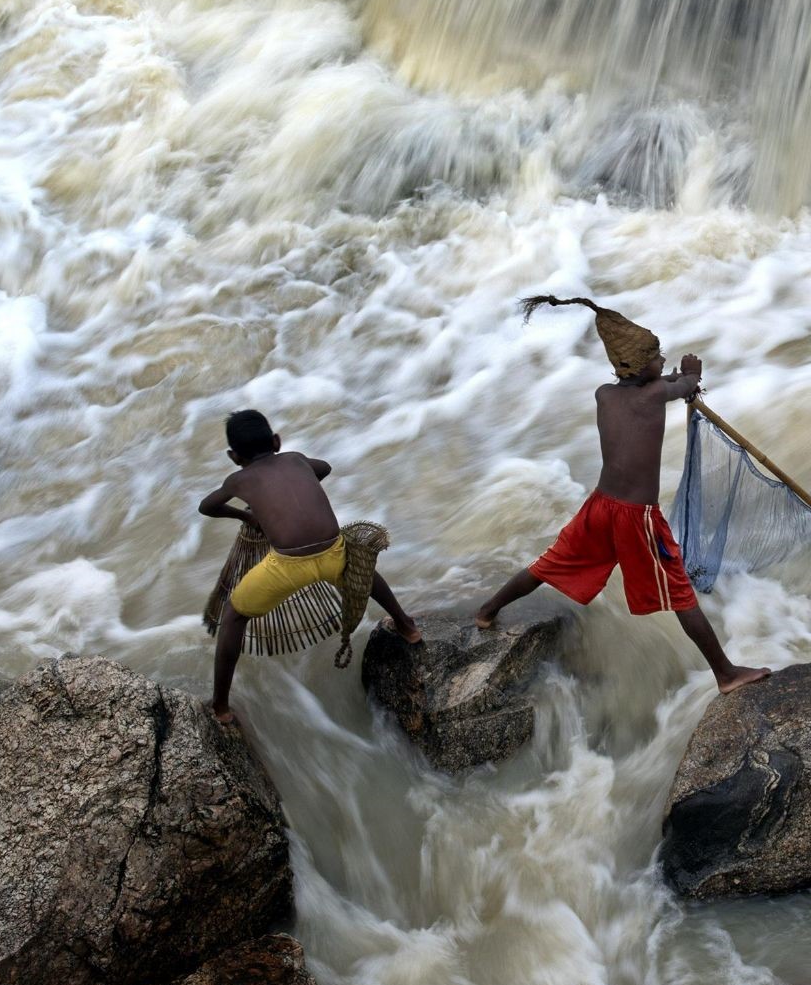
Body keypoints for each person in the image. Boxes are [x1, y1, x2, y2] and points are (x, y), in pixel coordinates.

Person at [474, 295, 771, 694]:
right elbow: (683, 385)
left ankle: (488, 610)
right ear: (638, 366)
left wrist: (669, 380)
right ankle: (726, 673)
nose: (662, 361)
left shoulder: (605, 394)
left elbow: (661, 387)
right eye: (656, 357)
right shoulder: (653, 395)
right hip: (636, 518)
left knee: (549, 563)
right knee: (680, 592)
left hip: (599, 506)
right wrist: (691, 372)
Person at [200, 409, 421, 723]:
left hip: (287, 565)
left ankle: (220, 706)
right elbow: (325, 467)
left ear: (234, 456)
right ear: (276, 441)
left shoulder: (238, 479)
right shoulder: (295, 459)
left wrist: (247, 515)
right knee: (365, 574)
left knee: (234, 616)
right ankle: (407, 626)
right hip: (334, 552)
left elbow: (206, 506)